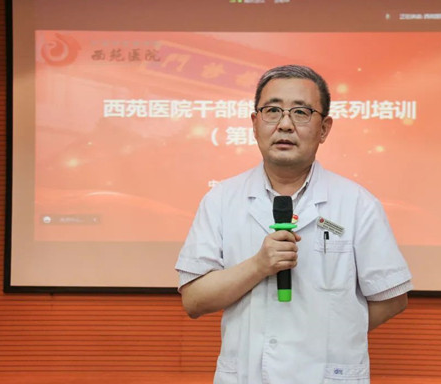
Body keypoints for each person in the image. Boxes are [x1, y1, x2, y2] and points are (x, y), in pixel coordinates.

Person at [175, 65, 412, 384]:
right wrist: (258, 266)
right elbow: (194, 301)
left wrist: (326, 337)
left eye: (301, 112)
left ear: (324, 128)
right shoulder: (220, 200)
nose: (285, 124)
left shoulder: (357, 203)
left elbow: (392, 299)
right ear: (254, 123)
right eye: (273, 110)